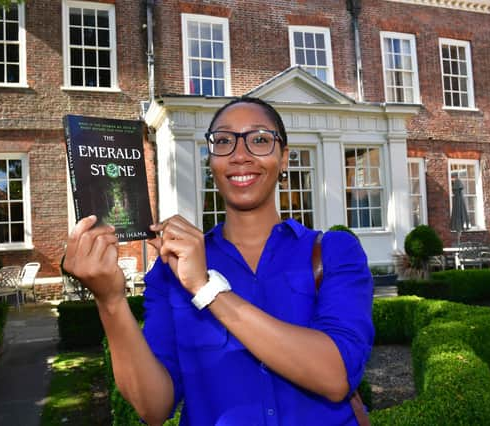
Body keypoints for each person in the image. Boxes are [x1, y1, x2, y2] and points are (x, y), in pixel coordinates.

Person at [63, 96, 374, 425]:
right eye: (223, 141)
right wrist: (110, 301)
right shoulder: (170, 270)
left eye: (259, 140)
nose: (240, 155)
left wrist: (205, 288)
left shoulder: (334, 251)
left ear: (284, 159)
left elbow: (335, 376)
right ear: (211, 162)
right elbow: (154, 408)